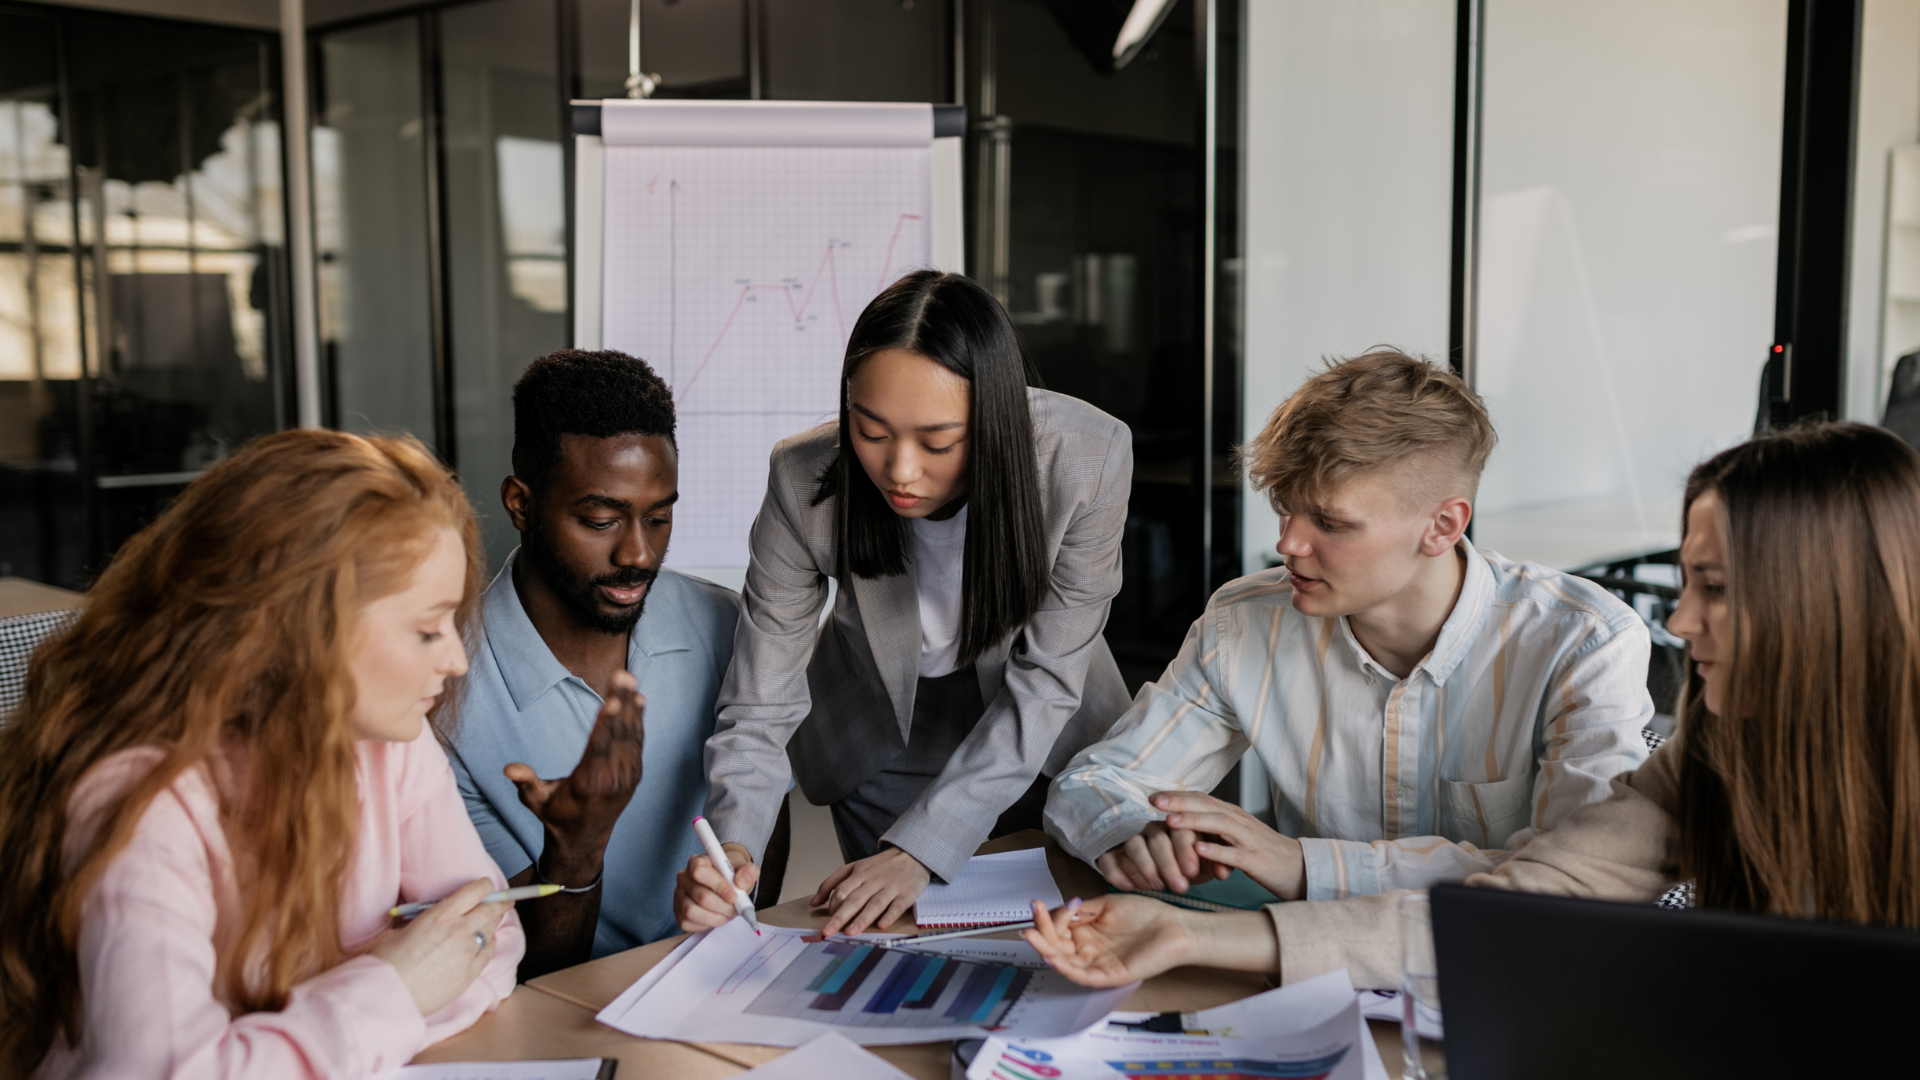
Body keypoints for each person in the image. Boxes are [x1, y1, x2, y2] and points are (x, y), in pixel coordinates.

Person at [1023, 420, 1920, 989]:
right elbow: (1525, 909)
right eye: (1689, 582)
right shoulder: (1714, 751)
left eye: (1715, 588)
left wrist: (1302, 864)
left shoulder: (1584, 639)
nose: (1682, 622)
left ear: (1825, 599)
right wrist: (1184, 937)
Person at [0, 430, 524, 1078]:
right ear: (298, 628)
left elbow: (490, 937)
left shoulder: (392, 746)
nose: (456, 658)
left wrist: (285, 1044)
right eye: (425, 629)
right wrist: (395, 988)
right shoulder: (139, 800)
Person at [1045, 350, 1652, 903]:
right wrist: (1130, 829)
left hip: (1505, 976)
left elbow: (1577, 882)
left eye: (1330, 524)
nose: (1288, 544)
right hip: (1303, 970)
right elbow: (1096, 780)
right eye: (1285, 510)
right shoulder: (1244, 623)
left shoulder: (1583, 642)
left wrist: (1306, 865)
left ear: (1442, 526)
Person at [674, 270, 1135, 937]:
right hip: (878, 731)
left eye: (938, 442)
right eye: (871, 431)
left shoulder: (1085, 458)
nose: (901, 471)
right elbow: (760, 697)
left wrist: (924, 847)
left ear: (994, 421)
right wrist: (734, 847)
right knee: (898, 942)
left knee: (1052, 938)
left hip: (1041, 726)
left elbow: (1045, 684)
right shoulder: (804, 476)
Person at [445, 350, 741, 974]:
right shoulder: (444, 688)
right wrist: (577, 850)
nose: (638, 553)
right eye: (601, 520)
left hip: (711, 982)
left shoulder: (725, 626)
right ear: (521, 505)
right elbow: (527, 964)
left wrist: (731, 891)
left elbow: (759, 813)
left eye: (659, 517)